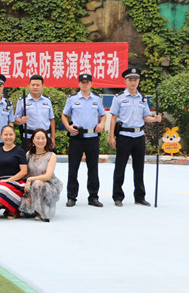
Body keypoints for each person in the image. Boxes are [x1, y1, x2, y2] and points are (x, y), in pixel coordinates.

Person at [109, 68, 162, 207]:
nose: (133, 82)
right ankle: (118, 197)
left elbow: (145, 117)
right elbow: (113, 118)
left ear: (138, 81)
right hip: (124, 136)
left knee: (139, 168)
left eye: (135, 80)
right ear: (126, 81)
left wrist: (155, 119)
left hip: (139, 136)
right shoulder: (119, 97)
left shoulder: (142, 98)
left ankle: (139, 197)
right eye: (130, 80)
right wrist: (111, 137)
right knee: (120, 167)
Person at [61, 73, 106, 208]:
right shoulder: (72, 99)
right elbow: (64, 115)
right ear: (79, 83)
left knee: (93, 168)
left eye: (87, 82)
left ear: (91, 83)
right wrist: (68, 127)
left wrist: (102, 124)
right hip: (76, 138)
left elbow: (103, 115)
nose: (84, 84)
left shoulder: (96, 99)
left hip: (92, 138)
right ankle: (71, 197)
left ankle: (93, 197)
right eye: (82, 82)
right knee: (73, 168)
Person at [19, 129, 63, 222]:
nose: (40, 141)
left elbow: (47, 176)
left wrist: (30, 179)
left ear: (47, 140)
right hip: (30, 186)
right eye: (38, 138)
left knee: (37, 183)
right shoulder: (28, 154)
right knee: (26, 210)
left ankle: (42, 212)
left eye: (43, 138)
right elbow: (25, 172)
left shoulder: (51, 155)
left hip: (47, 185)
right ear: (33, 140)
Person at [0, 125, 27, 219]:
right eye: (6, 134)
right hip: (1, 184)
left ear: (14, 136)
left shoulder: (20, 151)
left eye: (11, 134)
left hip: (17, 183)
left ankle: (13, 210)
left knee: (2, 190)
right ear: (1, 136)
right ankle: (7, 206)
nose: (8, 137)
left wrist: (8, 180)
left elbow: (24, 171)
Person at [15, 74, 56, 148]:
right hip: (29, 137)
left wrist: (53, 138)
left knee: (46, 156)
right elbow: (16, 118)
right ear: (29, 86)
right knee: (28, 156)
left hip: (45, 137)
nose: (35, 87)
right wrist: (21, 121)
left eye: (38, 85)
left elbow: (51, 119)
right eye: (33, 85)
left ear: (42, 86)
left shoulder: (47, 100)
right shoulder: (22, 100)